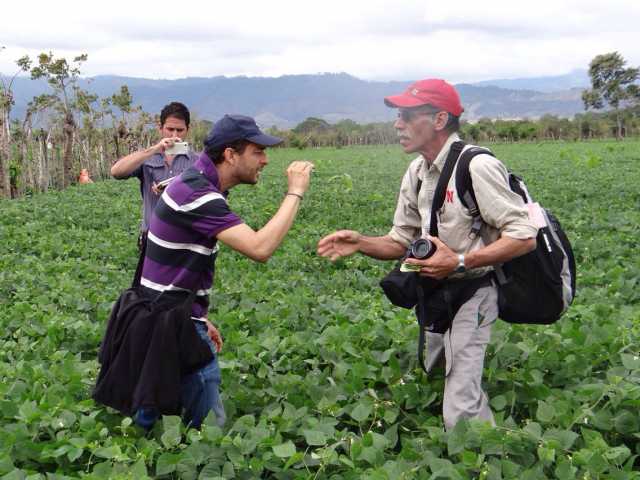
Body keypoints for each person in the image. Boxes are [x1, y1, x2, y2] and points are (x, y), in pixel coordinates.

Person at [317, 79, 537, 430]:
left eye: (406, 115)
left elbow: (524, 237)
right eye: (397, 115)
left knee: (460, 405)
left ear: (438, 120)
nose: (397, 124)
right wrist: (360, 242)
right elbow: (400, 241)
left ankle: (486, 456)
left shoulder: (476, 166)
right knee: (438, 371)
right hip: (436, 292)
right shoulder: (417, 172)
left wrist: (461, 261)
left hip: (476, 290)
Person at [135, 114, 313, 429]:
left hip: (161, 318)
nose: (265, 160)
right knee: (209, 431)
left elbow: (173, 262)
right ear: (230, 155)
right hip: (173, 328)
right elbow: (260, 248)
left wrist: (198, 314)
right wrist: (295, 192)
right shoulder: (198, 194)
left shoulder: (192, 183)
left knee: (152, 411)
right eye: (257, 152)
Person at [110, 101, 197, 248]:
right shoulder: (146, 158)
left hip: (186, 241)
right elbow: (116, 172)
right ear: (160, 129)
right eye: (170, 129)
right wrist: (155, 149)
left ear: (187, 130)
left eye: (180, 130)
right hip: (151, 239)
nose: (175, 135)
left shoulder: (197, 162)